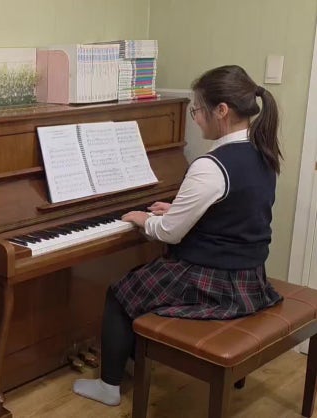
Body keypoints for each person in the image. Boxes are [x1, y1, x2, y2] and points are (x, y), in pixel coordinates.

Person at [72, 65, 283, 407]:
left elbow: (169, 233)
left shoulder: (211, 166)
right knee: (139, 284)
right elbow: (235, 209)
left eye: (197, 110)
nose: (195, 119)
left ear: (222, 111)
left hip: (212, 282)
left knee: (119, 293)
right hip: (249, 278)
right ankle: (132, 356)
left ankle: (108, 386)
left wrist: (144, 219)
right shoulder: (264, 152)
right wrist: (179, 209)